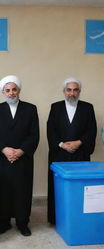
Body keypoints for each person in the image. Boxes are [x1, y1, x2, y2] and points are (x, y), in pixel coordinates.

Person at [0, 75, 39, 236]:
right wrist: (4, 149)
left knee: (22, 191)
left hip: (22, 158)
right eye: (7, 90)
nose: (11, 93)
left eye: (14, 89)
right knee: (3, 190)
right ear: (3, 92)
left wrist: (21, 151)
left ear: (19, 90)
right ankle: (3, 222)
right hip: (3, 159)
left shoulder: (30, 109)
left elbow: (34, 134)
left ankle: (23, 223)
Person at [47, 77, 97, 225]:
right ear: (64, 91)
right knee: (58, 187)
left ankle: (77, 218)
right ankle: (56, 218)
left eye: (75, 90)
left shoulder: (87, 107)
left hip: (80, 153)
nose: (72, 93)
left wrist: (79, 142)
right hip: (59, 154)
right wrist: (62, 144)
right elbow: (51, 130)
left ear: (79, 92)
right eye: (69, 90)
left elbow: (91, 129)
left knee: (79, 188)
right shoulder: (55, 107)